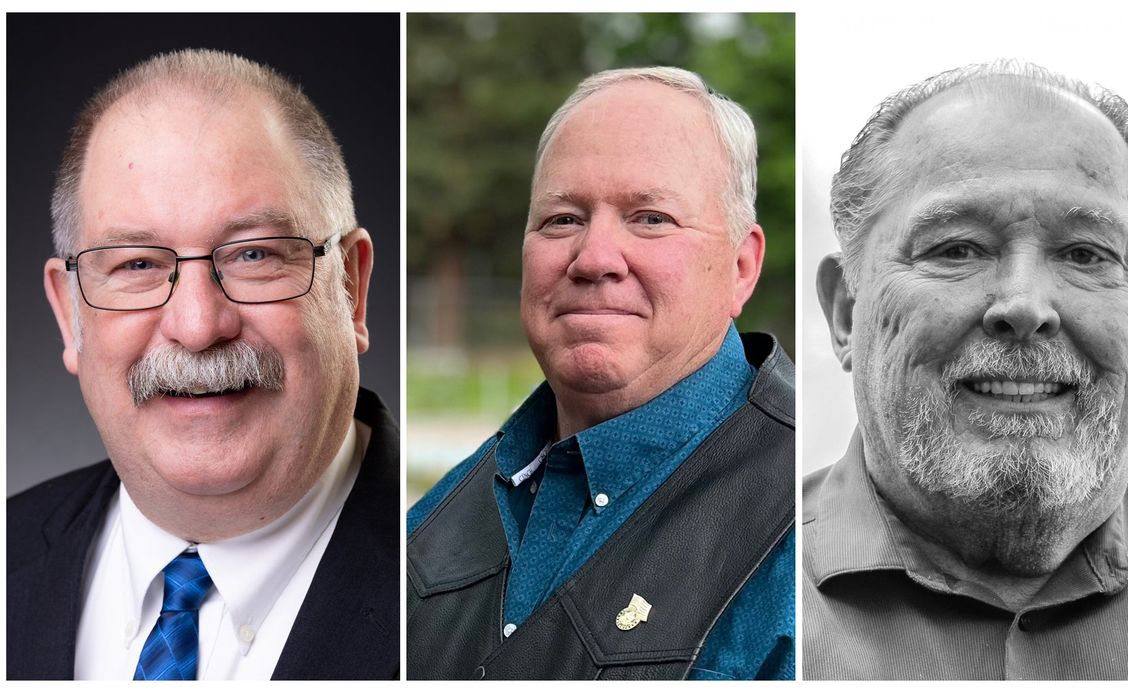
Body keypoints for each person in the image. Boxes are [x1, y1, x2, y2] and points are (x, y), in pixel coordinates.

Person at [7, 49, 399, 680]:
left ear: (351, 286)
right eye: (137, 264)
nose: (196, 327)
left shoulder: (445, 565)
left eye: (253, 255)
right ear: (68, 314)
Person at [805, 60, 1128, 680]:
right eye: (957, 248)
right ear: (846, 312)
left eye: (1086, 255)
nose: (1025, 306)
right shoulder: (735, 575)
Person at [407, 67, 795, 680]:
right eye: (563, 219)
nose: (593, 259)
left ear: (741, 267)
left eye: (650, 218)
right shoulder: (428, 526)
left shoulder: (802, 533)